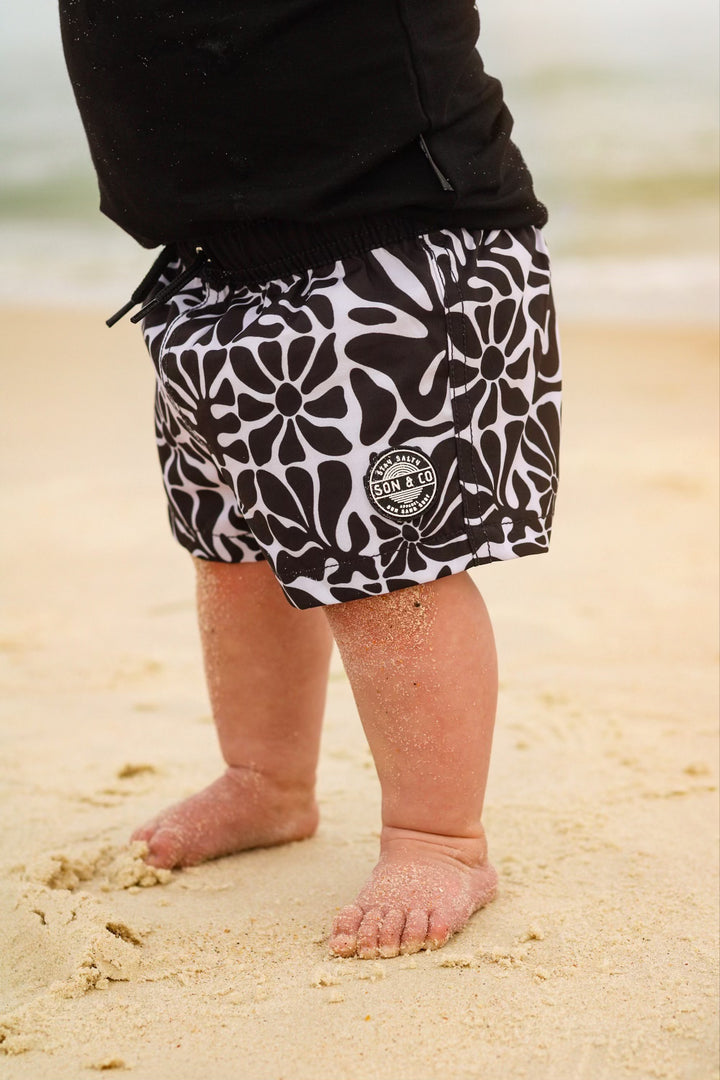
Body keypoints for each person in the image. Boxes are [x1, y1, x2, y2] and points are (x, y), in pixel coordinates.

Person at [59, 0, 561, 959]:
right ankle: (266, 779)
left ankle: (438, 837)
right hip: (211, 268)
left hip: (389, 249)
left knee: (387, 570)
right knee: (236, 546)